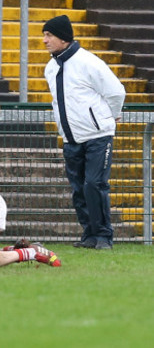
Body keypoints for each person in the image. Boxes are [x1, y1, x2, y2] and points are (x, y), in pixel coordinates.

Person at [43, 15, 126, 250]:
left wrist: (112, 115)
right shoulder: (51, 67)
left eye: (49, 35)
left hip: (97, 135)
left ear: (63, 38)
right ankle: (89, 234)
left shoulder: (89, 62)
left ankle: (103, 236)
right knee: (79, 189)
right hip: (71, 138)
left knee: (94, 184)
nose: (45, 40)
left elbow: (116, 92)